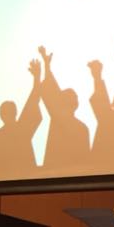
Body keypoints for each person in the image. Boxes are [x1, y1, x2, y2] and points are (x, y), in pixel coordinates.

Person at [0, 60, 43, 179]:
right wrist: (36, 78)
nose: (4, 114)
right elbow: (33, 101)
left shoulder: (19, 129)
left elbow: (33, 100)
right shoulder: (7, 133)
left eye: (5, 112)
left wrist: (37, 78)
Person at [38, 45, 91, 173]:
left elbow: (85, 158)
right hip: (55, 174)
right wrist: (47, 66)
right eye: (70, 96)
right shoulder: (58, 117)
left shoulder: (82, 128)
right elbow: (52, 92)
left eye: (75, 96)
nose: (75, 98)